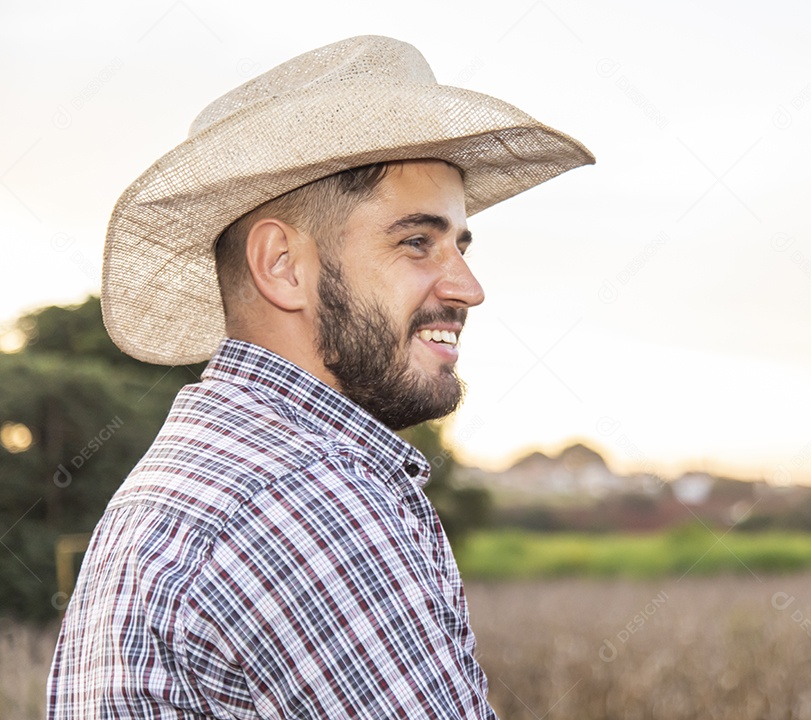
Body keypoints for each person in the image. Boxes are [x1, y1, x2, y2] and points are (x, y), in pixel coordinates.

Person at [47, 35, 592, 719]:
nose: (467, 287)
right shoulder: (301, 500)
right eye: (417, 241)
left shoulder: (197, 473)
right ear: (281, 265)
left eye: (459, 244)